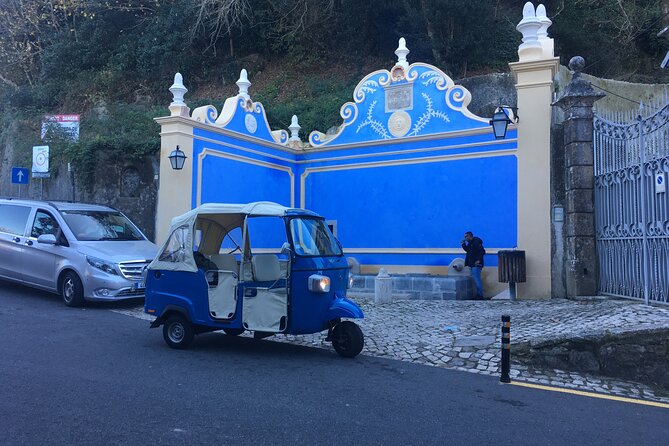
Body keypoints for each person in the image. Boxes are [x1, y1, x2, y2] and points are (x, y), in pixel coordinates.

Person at [461, 231, 486, 300]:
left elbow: (482, 251)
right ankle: (478, 294)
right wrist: (463, 244)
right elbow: (468, 250)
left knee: (477, 280)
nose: (465, 238)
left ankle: (480, 295)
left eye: (466, 237)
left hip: (477, 264)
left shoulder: (476, 242)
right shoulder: (470, 243)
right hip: (472, 264)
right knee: (476, 279)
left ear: (470, 236)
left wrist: (478, 260)